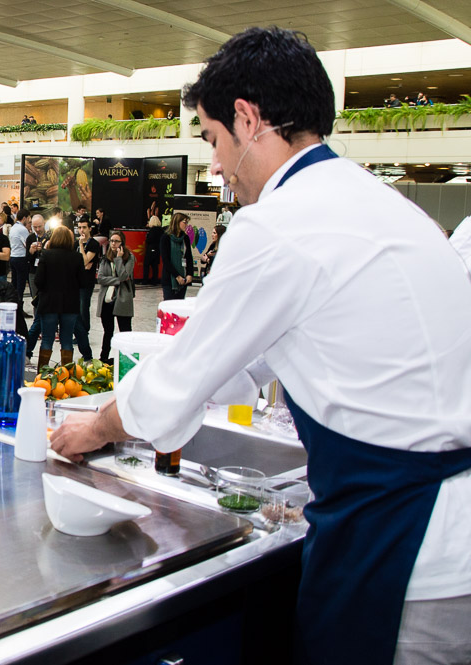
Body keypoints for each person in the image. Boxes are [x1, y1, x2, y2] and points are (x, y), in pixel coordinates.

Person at [51, 26, 471, 665]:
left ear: (248, 120)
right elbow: (245, 362)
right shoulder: (379, 203)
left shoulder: (279, 223)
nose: (214, 164)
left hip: (407, 545)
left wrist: (99, 426)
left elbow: (174, 392)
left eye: (213, 139)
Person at [33, 226, 83, 368]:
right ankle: (66, 376)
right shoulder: (77, 257)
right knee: (67, 340)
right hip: (70, 304)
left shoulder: (46, 255)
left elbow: (38, 280)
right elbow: (83, 282)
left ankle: (42, 375)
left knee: (47, 340)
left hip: (49, 302)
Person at [96, 231, 134, 364]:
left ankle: (127, 358)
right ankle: (104, 358)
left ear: (122, 243)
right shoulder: (105, 258)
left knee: (125, 330)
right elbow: (100, 278)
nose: (113, 244)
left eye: (116, 241)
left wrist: (118, 259)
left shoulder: (129, 257)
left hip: (122, 298)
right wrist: (117, 280)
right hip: (106, 299)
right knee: (108, 331)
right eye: (111, 241)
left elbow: (125, 275)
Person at [71, 217, 101, 362]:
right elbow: (75, 262)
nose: (81, 230)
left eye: (84, 227)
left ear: (89, 228)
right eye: (79, 227)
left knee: (84, 307)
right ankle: (78, 333)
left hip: (86, 282)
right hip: (75, 281)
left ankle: (84, 333)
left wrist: (82, 247)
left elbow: (84, 261)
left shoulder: (93, 244)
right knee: (76, 308)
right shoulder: (75, 243)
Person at [161, 212, 194, 300]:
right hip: (170, 279)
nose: (186, 225)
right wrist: (177, 276)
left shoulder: (185, 238)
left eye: (187, 222)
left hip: (183, 277)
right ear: (177, 222)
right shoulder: (166, 237)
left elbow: (189, 257)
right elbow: (166, 260)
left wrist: (190, 274)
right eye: (184, 222)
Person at [8, 210, 31, 299]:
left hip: (13, 256)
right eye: (28, 218)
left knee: (14, 283)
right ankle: (19, 304)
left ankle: (14, 302)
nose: (29, 221)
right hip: (21, 258)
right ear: (24, 218)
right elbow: (27, 244)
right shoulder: (22, 229)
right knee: (20, 285)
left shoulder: (14, 227)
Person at [142, 215, 164, 286]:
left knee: (146, 264)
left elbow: (149, 240)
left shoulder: (152, 230)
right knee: (155, 266)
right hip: (158, 249)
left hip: (151, 249)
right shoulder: (161, 230)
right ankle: (154, 280)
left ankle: (145, 280)